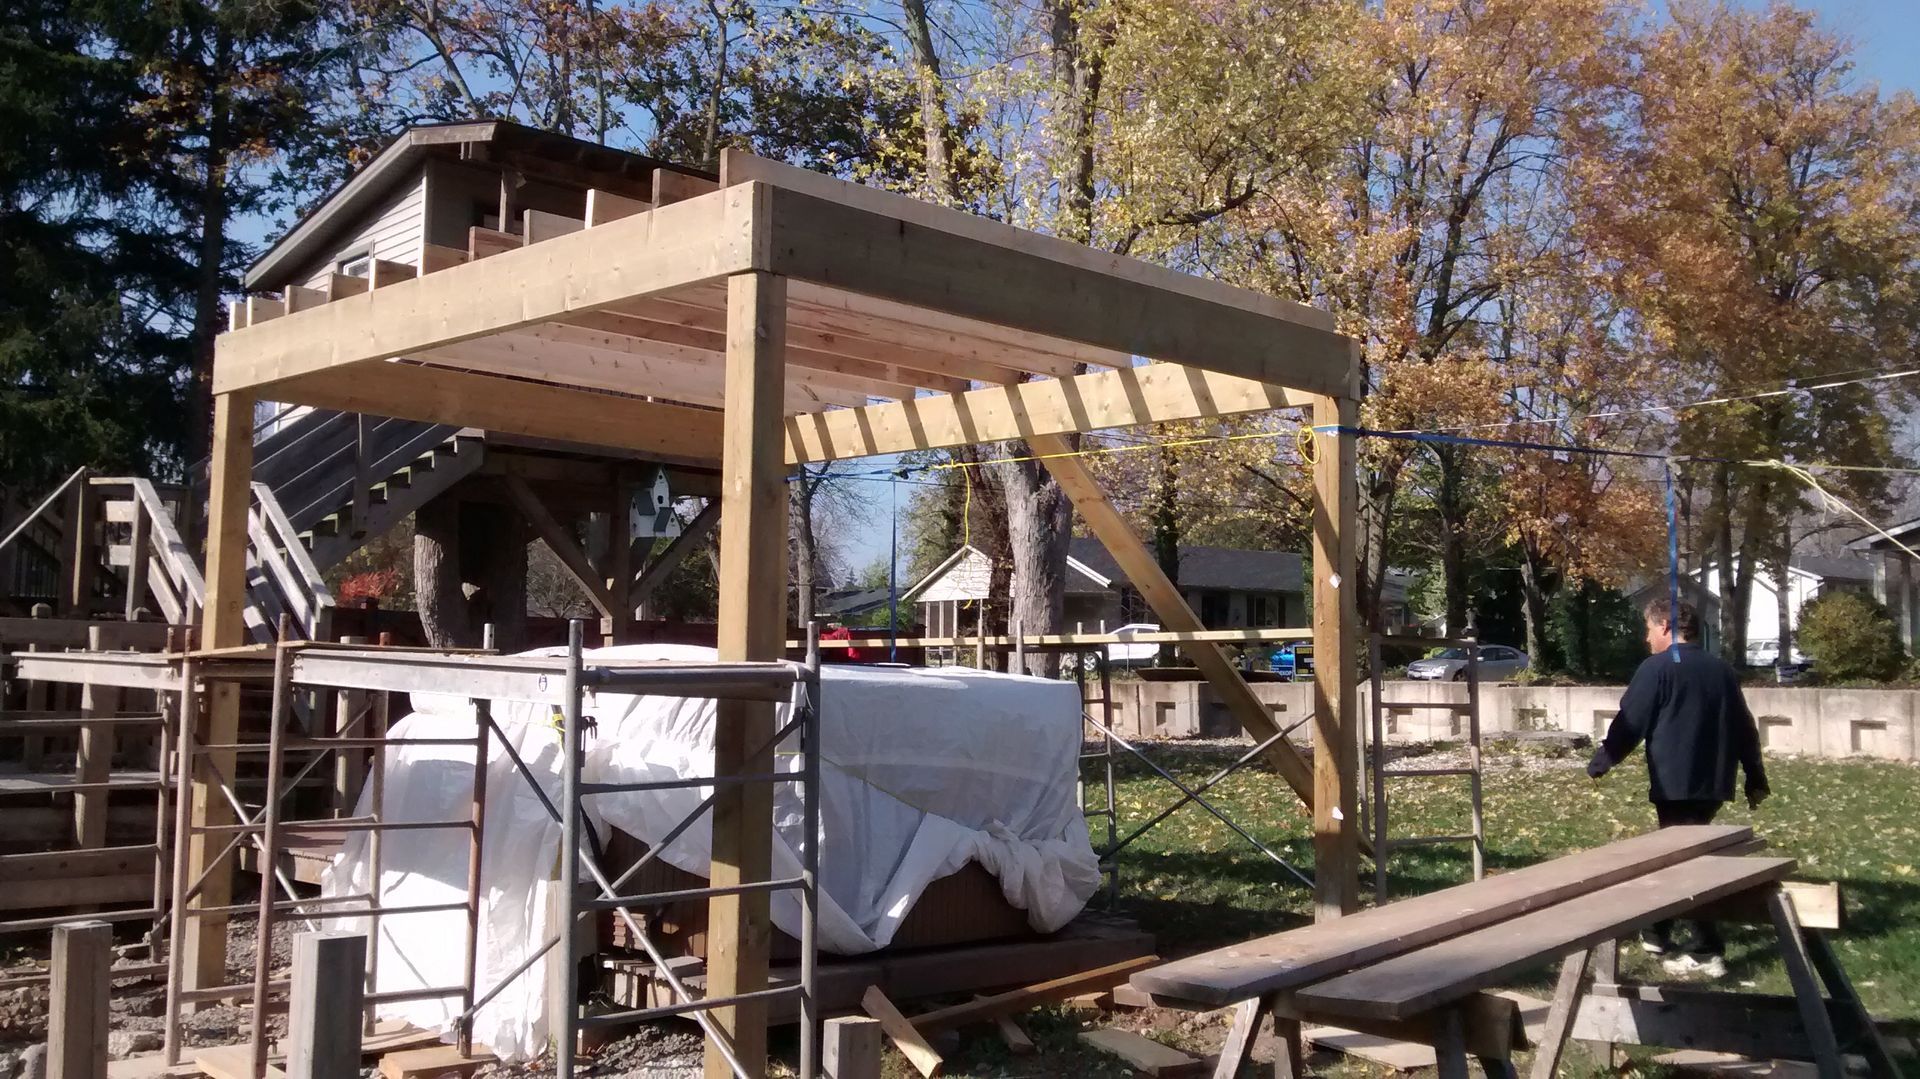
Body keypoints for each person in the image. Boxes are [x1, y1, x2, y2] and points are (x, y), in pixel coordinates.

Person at [1587, 596, 1770, 978]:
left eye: (1649, 629)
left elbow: (1631, 720)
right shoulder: (1721, 670)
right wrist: (1754, 776)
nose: (1646, 638)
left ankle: (1706, 948)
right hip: (1714, 782)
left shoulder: (1657, 669)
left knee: (1684, 863)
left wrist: (1604, 759)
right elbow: (1744, 727)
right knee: (1685, 854)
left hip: (1674, 781)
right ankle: (1657, 932)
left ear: (1666, 627)